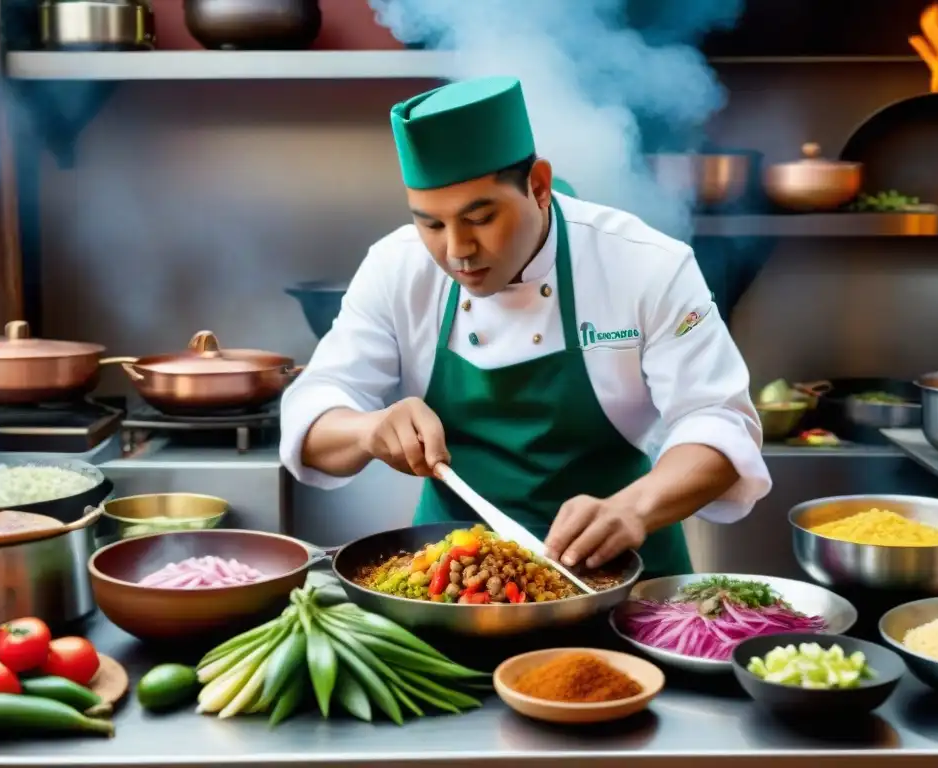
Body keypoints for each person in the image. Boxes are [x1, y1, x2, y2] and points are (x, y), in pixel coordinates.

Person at [280, 76, 771, 578]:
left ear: (538, 186)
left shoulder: (646, 264)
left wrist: (635, 507)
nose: (456, 250)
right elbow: (314, 409)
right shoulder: (396, 267)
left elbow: (719, 421)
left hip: (626, 579)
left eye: (481, 217)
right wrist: (369, 430)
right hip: (451, 582)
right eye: (431, 224)